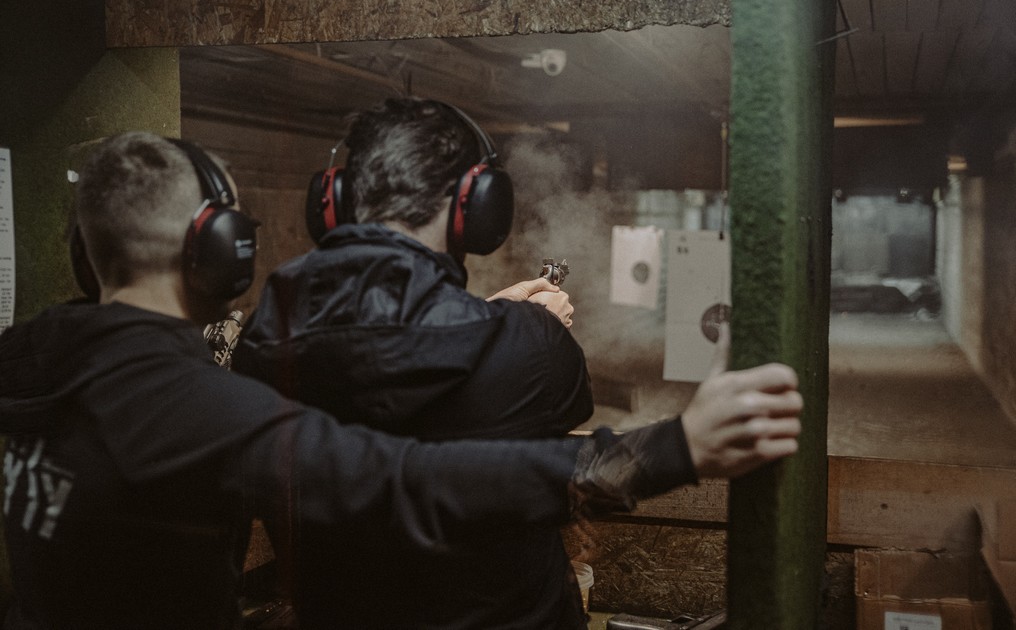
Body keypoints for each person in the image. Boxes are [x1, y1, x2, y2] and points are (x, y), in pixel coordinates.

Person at [0, 131, 803, 630]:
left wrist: (478, 317)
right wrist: (675, 449)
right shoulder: (187, 409)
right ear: (216, 246)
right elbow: (420, 482)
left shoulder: (27, 360)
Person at [229, 98, 782, 629]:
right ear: (477, 206)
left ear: (333, 199)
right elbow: (560, 465)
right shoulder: (530, 343)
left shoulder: (262, 342)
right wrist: (528, 326)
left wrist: (491, 312)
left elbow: (385, 352)